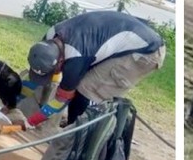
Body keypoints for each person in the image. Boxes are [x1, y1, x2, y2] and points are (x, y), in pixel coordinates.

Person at [12, 11, 166, 130]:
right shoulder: (49, 38)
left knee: (85, 89)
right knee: (75, 84)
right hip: (112, 38)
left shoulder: (75, 58)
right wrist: (10, 105)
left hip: (144, 52)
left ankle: (75, 132)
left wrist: (30, 122)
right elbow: (33, 80)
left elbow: (61, 99)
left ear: (60, 61)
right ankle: (73, 123)